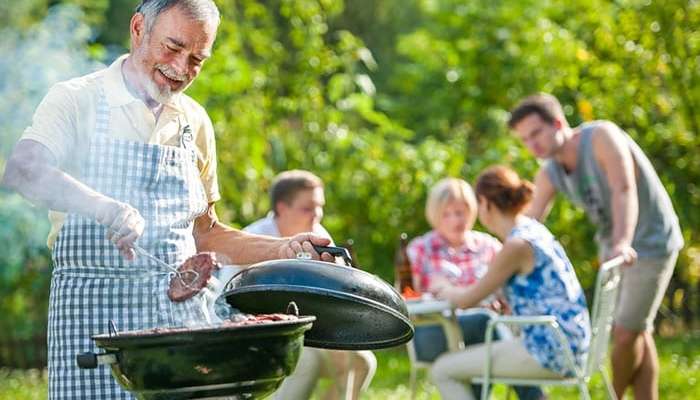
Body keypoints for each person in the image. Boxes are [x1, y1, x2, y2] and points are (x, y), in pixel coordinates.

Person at [0, 2, 332, 399]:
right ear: (139, 28)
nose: (181, 67)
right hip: (92, 322)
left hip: (180, 329)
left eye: (197, 59)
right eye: (173, 47)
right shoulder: (77, 99)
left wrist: (283, 247)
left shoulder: (195, 122)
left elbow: (205, 234)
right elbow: (23, 170)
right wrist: (104, 207)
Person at [508, 93, 684, 400]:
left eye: (536, 133)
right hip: (613, 251)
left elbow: (623, 188)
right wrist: (497, 273)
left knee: (626, 333)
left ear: (558, 123)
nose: (532, 144)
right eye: (524, 140)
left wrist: (621, 243)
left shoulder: (601, 137)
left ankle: (610, 395)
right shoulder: (550, 171)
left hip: (649, 243)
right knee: (638, 332)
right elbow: (526, 226)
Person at [429, 166, 591, 400]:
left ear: (484, 204)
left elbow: (466, 301)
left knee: (444, 370)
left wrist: (443, 288)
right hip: (569, 343)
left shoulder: (517, 245)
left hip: (550, 350)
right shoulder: (533, 230)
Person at [239, 170, 376, 400]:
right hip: (252, 337)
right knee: (305, 360)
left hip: (306, 331)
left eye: (320, 206)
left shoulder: (319, 236)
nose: (317, 215)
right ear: (282, 208)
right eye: (308, 208)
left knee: (361, 362)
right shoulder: (254, 239)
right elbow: (230, 302)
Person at [407, 178, 544, 400]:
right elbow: (407, 297)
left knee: (485, 327)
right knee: (484, 321)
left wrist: (498, 299)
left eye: (460, 212)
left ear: (472, 212)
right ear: (434, 215)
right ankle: (534, 396)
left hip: (486, 331)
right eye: (446, 214)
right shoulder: (419, 249)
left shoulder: (489, 246)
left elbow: (508, 291)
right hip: (434, 330)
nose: (455, 221)